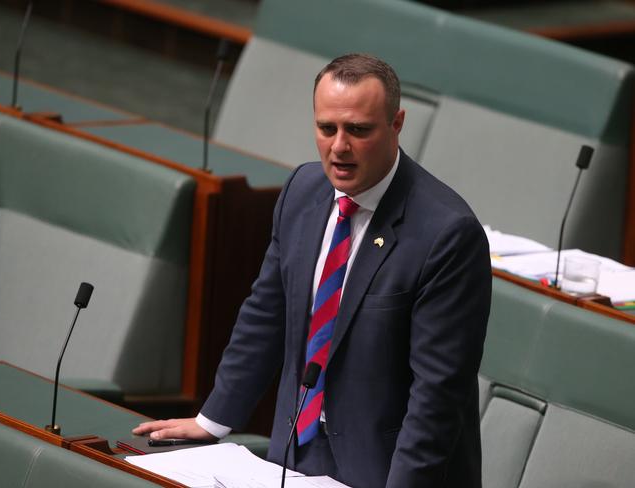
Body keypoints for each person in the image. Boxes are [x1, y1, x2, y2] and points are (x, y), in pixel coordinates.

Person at [134, 53, 491, 488]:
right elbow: (267, 312)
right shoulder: (303, 191)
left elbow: (437, 393)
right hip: (295, 455)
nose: (339, 146)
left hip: (386, 469)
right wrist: (214, 419)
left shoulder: (446, 234)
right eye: (327, 128)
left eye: (358, 130)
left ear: (396, 124)